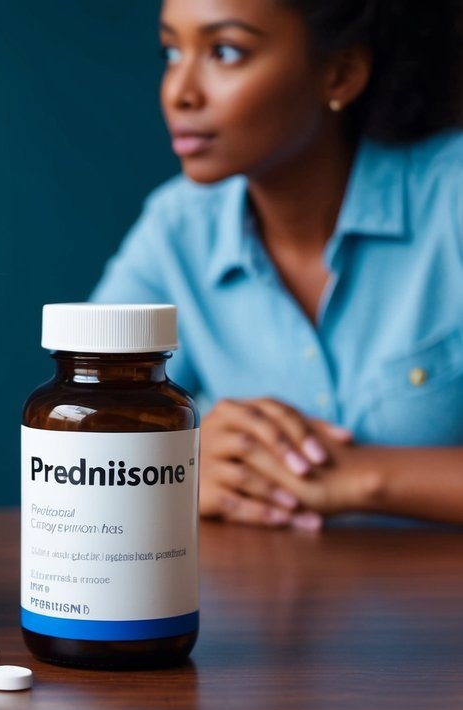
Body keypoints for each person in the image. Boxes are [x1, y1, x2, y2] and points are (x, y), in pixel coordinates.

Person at [91, 0, 463, 529]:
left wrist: (357, 477)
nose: (179, 92)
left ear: (339, 75)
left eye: (224, 52)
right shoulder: (176, 229)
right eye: (172, 52)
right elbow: (76, 438)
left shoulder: (451, 197)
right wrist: (184, 464)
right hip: (257, 605)